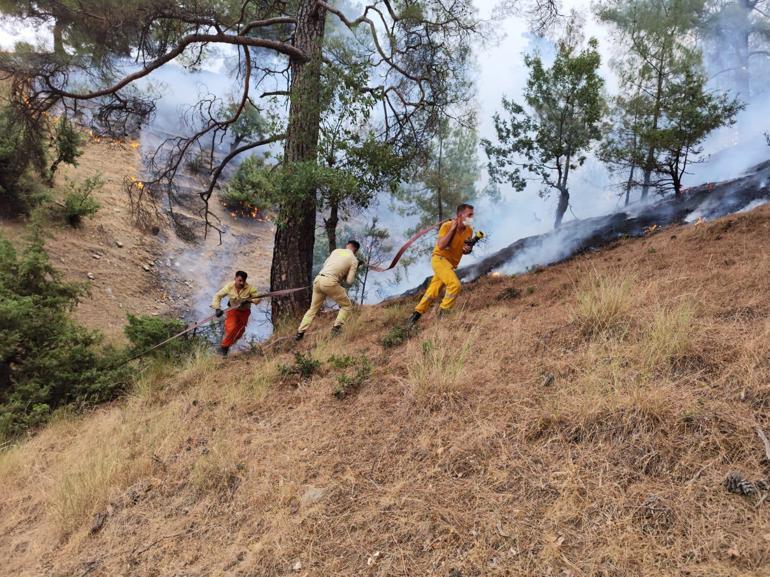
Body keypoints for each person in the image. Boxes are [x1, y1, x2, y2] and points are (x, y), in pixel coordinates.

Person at [408, 203, 475, 326]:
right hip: (439, 259)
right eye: (469, 215)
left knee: (432, 291)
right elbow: (441, 245)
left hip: (450, 265)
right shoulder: (447, 226)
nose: (472, 218)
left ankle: (415, 316)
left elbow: (465, 250)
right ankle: (443, 314)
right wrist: (453, 228)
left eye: (473, 215)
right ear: (460, 215)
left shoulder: (469, 231)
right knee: (455, 285)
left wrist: (467, 250)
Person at [294, 240, 360, 341]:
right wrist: (351, 270)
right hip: (330, 282)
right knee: (347, 306)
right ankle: (336, 329)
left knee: (312, 309)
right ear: (355, 250)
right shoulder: (354, 259)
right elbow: (349, 281)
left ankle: (300, 333)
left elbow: (325, 264)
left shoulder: (336, 251)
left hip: (318, 280)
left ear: (347, 245)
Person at [211, 270, 261, 356]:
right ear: (235, 278)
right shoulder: (229, 286)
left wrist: (250, 300)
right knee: (231, 329)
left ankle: (227, 346)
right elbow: (218, 295)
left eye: (243, 281)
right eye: (240, 280)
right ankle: (224, 348)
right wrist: (217, 308)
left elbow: (258, 298)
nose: (241, 283)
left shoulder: (250, 288)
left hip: (244, 312)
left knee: (239, 333)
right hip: (233, 311)